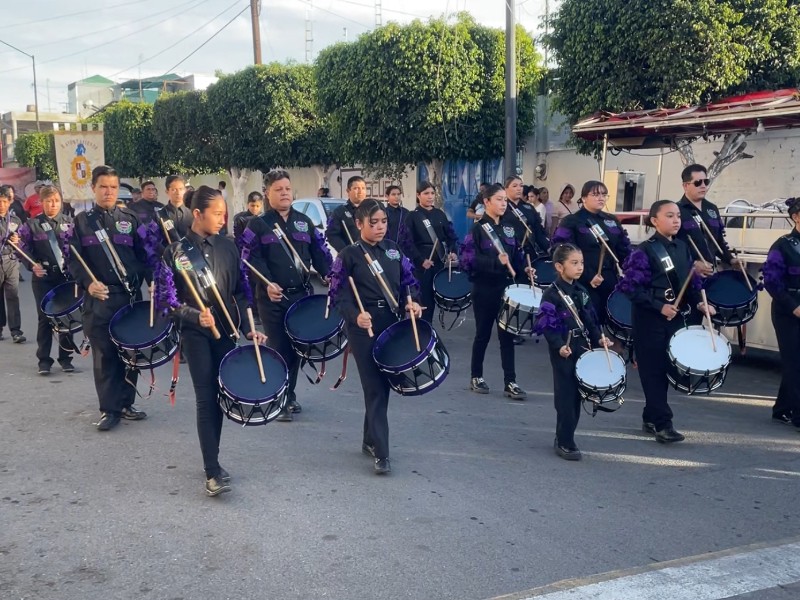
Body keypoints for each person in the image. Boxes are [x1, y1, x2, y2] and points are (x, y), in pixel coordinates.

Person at [156, 185, 266, 496]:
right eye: (216, 214)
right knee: (206, 399)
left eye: (224, 213)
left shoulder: (229, 247)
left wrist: (248, 329)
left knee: (220, 397)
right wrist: (193, 315)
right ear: (198, 214)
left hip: (226, 332)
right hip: (196, 334)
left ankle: (213, 460)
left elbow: (241, 293)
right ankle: (212, 472)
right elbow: (167, 301)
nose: (222, 219)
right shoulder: (175, 252)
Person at [328, 199, 421, 475]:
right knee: (375, 388)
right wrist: (355, 315)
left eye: (383, 222)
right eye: (374, 223)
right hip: (362, 327)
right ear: (359, 225)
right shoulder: (348, 256)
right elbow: (338, 296)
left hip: (391, 322)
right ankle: (382, 453)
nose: (380, 227)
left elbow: (409, 283)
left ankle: (370, 439)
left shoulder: (393, 250)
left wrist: (413, 302)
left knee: (385, 384)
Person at [617, 200, 715, 443]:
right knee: (653, 371)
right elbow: (630, 288)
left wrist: (700, 302)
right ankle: (663, 424)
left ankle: (651, 416)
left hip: (675, 317)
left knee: (668, 369)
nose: (676, 220)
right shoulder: (644, 251)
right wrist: (659, 306)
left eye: (678, 216)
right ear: (654, 221)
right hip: (650, 319)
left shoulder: (682, 247)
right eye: (669, 216)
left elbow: (689, 282)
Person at [241, 169, 333, 421]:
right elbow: (250, 259)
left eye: (287, 188)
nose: (284, 193)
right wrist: (267, 282)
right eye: (278, 189)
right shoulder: (257, 224)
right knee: (279, 348)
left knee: (297, 349)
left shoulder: (304, 221)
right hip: (272, 299)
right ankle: (279, 398)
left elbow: (319, 253)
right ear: (268, 194)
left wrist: (329, 274)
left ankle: (289, 394)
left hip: (301, 296)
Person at [69, 165, 152, 431]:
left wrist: (154, 283)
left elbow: (145, 255)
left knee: (131, 353)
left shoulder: (132, 218)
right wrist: (87, 283)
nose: (108, 192)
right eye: (103, 186)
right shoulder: (82, 222)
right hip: (100, 299)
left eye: (113, 187)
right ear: (93, 187)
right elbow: (72, 260)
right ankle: (109, 409)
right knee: (104, 356)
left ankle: (127, 403)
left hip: (128, 297)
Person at [534, 243, 608, 460]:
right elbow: (546, 324)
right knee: (565, 394)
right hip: (563, 349)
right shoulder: (551, 294)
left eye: (581, 263)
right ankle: (565, 440)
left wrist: (599, 338)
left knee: (577, 393)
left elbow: (589, 319)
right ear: (559, 266)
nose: (579, 267)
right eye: (574, 263)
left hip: (582, 347)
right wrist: (558, 345)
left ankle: (567, 435)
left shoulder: (581, 290)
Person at [461, 183, 531, 400]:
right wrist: (494, 261)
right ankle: (476, 376)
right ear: (487, 202)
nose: (503, 204)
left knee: (507, 336)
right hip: (485, 288)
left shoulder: (510, 227)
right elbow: (467, 260)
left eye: (505, 200)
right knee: (482, 334)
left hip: (507, 288)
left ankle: (510, 381)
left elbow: (517, 255)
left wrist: (525, 268)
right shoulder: (478, 229)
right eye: (499, 199)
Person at [551, 180, 631, 327]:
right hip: (583, 281)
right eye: (595, 194)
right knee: (590, 325)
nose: (600, 198)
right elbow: (561, 251)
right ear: (583, 198)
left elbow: (624, 250)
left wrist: (633, 273)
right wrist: (587, 275)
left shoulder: (611, 220)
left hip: (610, 278)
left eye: (604, 194)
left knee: (615, 325)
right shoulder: (572, 221)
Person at [18, 185, 77, 374]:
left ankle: (66, 358)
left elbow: (78, 250)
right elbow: (23, 249)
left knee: (66, 317)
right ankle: (44, 360)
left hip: (65, 278)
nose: (53, 204)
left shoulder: (70, 223)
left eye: (56, 201)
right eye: (49, 201)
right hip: (43, 279)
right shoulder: (31, 225)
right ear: (41, 203)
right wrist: (32, 265)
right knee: (45, 318)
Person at [761, 197, 800, 428]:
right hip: (789, 309)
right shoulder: (783, 245)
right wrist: (793, 306)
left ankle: (782, 408)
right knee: (794, 360)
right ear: (796, 217)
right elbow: (772, 281)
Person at [398, 182, 458, 323]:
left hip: (438, 262)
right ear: (418, 195)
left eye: (432, 193)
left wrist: (453, 251)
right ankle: (422, 329)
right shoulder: (412, 216)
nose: (430, 196)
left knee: (439, 297)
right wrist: (420, 260)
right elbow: (406, 243)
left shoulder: (440, 214)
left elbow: (450, 236)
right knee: (424, 301)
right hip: (422, 265)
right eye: (426, 193)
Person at [676, 164, 739, 278]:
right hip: (688, 276)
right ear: (685, 186)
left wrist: (731, 260)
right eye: (698, 182)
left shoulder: (712, 209)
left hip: (710, 273)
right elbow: (672, 246)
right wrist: (693, 264)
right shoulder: (676, 211)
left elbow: (719, 241)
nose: (703, 186)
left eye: (706, 182)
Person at [0, 186, 25, 343]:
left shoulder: (15, 220)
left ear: (9, 202)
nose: (1, 205)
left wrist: (18, 239)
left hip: (11, 261)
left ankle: (16, 331)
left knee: (13, 296)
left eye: (4, 201)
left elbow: (23, 239)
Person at [326, 176, 366, 252]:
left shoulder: (372, 210)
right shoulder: (340, 211)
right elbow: (332, 235)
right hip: (350, 255)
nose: (360, 191)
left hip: (371, 255)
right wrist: (346, 251)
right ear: (348, 191)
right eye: (356, 188)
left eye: (363, 188)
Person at [156, 175, 193, 244]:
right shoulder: (159, 214)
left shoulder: (193, 213)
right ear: (167, 191)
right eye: (174, 189)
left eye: (181, 189)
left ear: (185, 190)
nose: (178, 193)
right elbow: (155, 240)